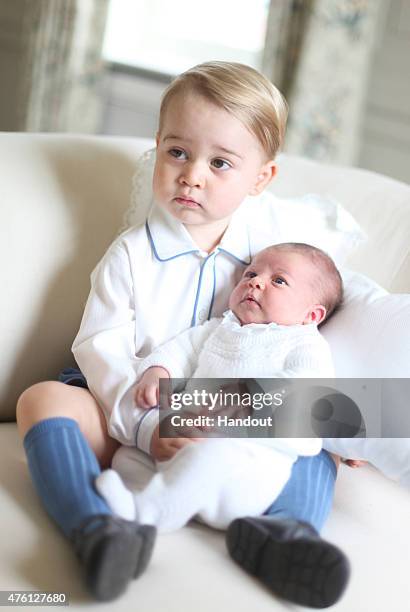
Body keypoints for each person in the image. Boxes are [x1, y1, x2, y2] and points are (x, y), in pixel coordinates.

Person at [16, 61, 344, 607]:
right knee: (43, 399)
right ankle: (97, 528)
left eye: (220, 163)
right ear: (158, 147)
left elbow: (321, 313)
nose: (192, 175)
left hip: (231, 416)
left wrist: (355, 424)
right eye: (177, 152)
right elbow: (101, 349)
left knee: (320, 444)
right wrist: (149, 425)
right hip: (129, 408)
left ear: (260, 179)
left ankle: (284, 536)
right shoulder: (131, 255)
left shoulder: (276, 256)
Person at [95, 242, 344, 538]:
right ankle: (140, 495)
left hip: (244, 468)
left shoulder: (304, 345)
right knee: (129, 456)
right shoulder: (219, 327)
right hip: (182, 443)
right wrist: (157, 372)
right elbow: (180, 350)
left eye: (279, 280)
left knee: (212, 457)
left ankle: (148, 513)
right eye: (251, 273)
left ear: (311, 316)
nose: (255, 281)